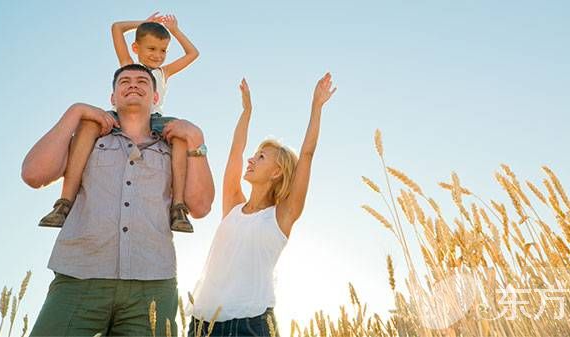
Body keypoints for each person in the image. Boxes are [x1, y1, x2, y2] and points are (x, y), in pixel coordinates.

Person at [22, 64, 214, 336]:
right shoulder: (87, 139)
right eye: (124, 81)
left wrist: (197, 139)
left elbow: (202, 207)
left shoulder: (174, 147)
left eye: (142, 81)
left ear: (156, 98)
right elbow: (33, 175)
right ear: (112, 97)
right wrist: (75, 112)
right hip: (79, 277)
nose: (133, 84)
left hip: (153, 285)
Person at [188, 73, 336, 337]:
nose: (251, 160)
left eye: (261, 157)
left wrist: (316, 106)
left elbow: (307, 155)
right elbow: (235, 151)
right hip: (202, 325)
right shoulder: (233, 205)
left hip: (251, 326)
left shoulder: (283, 216)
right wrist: (247, 111)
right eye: (255, 155)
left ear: (277, 172)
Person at [39, 12, 201, 232]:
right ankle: (64, 202)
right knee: (88, 124)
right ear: (136, 48)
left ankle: (178, 208)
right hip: (120, 116)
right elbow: (116, 28)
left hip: (153, 120)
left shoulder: (164, 72)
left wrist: (175, 31)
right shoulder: (129, 65)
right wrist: (144, 23)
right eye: (151, 49)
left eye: (163, 50)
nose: (158, 55)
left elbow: (193, 53)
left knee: (180, 134)